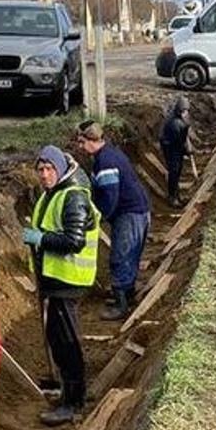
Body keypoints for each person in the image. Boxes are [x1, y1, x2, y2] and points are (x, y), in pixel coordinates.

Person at [22, 146, 100, 426]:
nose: (44, 175)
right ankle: (69, 392)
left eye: (49, 169)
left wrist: (40, 239)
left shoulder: (73, 197)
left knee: (67, 343)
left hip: (67, 282)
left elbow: (74, 241)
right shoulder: (52, 193)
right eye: (40, 170)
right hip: (55, 282)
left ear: (60, 169)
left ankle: (73, 403)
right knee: (58, 339)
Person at [76, 119, 151, 320]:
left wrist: (97, 218)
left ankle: (121, 305)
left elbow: (110, 197)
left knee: (121, 256)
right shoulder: (110, 153)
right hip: (138, 211)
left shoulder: (105, 162)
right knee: (131, 254)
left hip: (129, 214)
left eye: (82, 142)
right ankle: (127, 293)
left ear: (91, 140)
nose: (80, 147)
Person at [160, 94, 192, 208]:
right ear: (180, 110)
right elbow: (179, 142)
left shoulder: (179, 119)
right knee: (174, 171)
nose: (186, 113)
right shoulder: (175, 124)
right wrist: (186, 151)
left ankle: (176, 195)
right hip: (171, 148)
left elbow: (183, 139)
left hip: (173, 146)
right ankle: (172, 197)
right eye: (184, 110)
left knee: (177, 171)